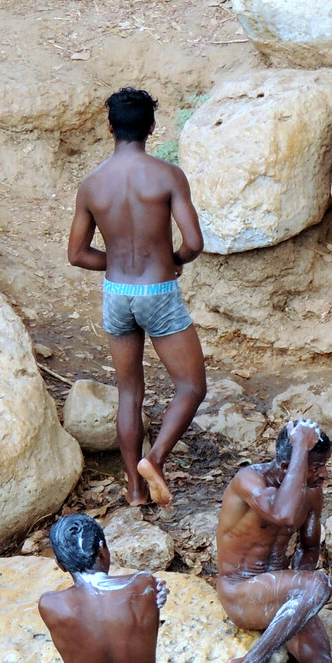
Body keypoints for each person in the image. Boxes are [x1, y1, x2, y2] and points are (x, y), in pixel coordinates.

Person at [67, 87, 206, 508]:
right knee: (191, 387)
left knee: (130, 392)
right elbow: (194, 243)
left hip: (117, 293)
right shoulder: (167, 176)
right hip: (158, 291)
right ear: (150, 127)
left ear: (111, 128)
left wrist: (117, 262)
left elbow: (76, 254)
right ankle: (156, 459)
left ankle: (134, 490)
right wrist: (172, 259)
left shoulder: (92, 185)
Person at [216, 418, 332, 663]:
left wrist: (298, 602)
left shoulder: (312, 493)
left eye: (325, 465)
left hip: (281, 596)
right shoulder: (249, 481)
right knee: (319, 584)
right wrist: (298, 444)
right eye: (316, 467)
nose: (324, 476)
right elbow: (282, 513)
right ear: (288, 465)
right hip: (241, 592)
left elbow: (309, 550)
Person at [29, 514, 173, 663]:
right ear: (103, 549)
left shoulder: (51, 605)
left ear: (60, 565)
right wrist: (156, 592)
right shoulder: (143, 585)